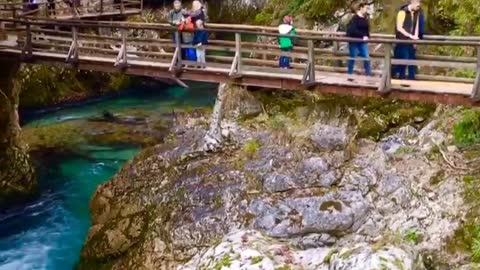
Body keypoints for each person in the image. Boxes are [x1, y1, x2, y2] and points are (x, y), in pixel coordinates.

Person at [392, 0, 424, 80]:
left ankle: (411, 80)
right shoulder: (402, 12)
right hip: (401, 40)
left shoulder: (416, 13)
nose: (418, 6)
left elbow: (416, 27)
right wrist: (410, 35)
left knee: (412, 61)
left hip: (410, 41)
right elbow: (399, 28)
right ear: (413, 2)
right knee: (402, 60)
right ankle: (397, 77)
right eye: (417, 4)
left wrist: (415, 38)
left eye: (419, 5)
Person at [346, 2, 371, 77]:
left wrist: (367, 36)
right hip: (354, 41)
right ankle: (349, 74)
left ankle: (368, 75)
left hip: (363, 42)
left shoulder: (365, 18)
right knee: (352, 57)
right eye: (366, 8)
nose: (366, 10)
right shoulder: (355, 18)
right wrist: (362, 36)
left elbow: (367, 30)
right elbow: (353, 30)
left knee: (366, 57)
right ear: (361, 8)